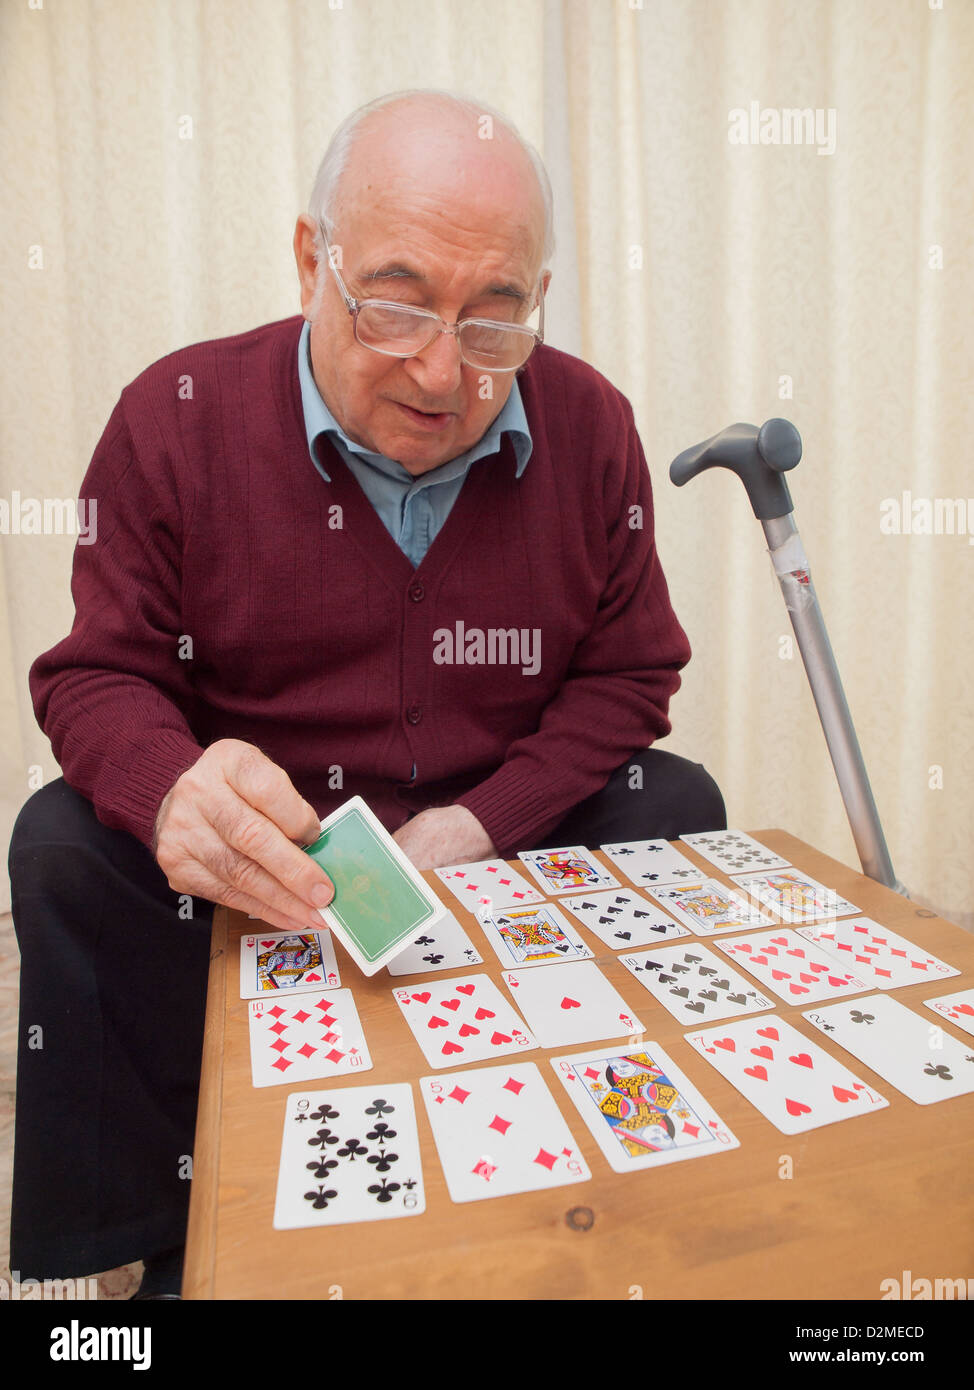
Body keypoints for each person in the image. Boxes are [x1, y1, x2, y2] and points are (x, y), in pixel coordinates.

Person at [9, 89, 725, 1298]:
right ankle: (152, 1246)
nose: (443, 372)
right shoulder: (173, 419)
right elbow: (96, 672)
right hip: (266, 849)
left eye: (494, 321)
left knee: (674, 798)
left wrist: (482, 821)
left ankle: (615, 1146)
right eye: (394, 307)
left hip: (496, 826)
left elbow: (630, 669)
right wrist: (176, 789)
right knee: (63, 839)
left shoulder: (591, 425)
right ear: (310, 263)